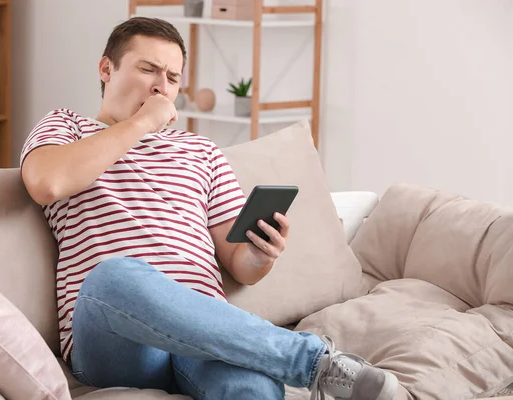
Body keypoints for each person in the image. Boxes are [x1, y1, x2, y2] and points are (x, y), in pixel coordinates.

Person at [20, 16, 397, 400]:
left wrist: (259, 253)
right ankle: (314, 362)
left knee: (252, 387)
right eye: (148, 69)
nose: (159, 86)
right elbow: (47, 183)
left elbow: (240, 266)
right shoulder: (66, 127)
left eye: (171, 77)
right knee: (113, 277)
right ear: (106, 69)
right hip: (116, 336)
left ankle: (313, 368)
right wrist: (141, 124)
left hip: (203, 336)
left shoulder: (201, 152)